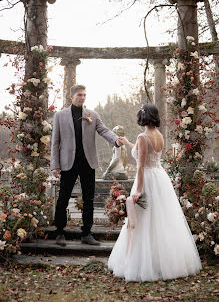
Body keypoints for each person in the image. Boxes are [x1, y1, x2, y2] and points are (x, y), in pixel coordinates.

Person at [108, 104, 202, 282]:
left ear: (143, 117)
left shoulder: (143, 136)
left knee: (144, 220)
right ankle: (165, 262)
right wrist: (128, 143)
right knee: (161, 220)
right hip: (160, 177)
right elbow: (145, 152)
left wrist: (138, 190)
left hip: (148, 179)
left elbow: (141, 166)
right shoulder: (158, 135)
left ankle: (144, 264)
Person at [50, 84, 122, 246]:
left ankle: (87, 233)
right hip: (68, 163)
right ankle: (60, 232)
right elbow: (55, 142)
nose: (82, 97)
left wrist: (116, 139)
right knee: (63, 197)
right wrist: (55, 165)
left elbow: (104, 130)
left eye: (84, 95)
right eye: (79, 95)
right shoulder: (60, 116)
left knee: (89, 198)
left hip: (88, 162)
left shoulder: (92, 115)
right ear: (71, 96)